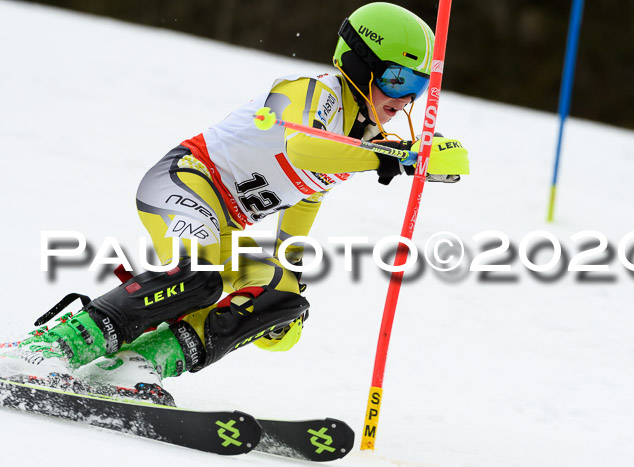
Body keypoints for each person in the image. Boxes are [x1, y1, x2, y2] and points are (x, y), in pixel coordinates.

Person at [0, 2, 468, 405]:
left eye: (418, 86)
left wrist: (290, 271)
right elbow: (303, 149)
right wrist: (397, 156)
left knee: (282, 299)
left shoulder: (362, 136)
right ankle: (46, 347)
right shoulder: (314, 92)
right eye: (396, 77)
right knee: (198, 278)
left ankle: (136, 364)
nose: (405, 97)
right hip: (185, 180)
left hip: (227, 223)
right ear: (361, 64)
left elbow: (305, 197)